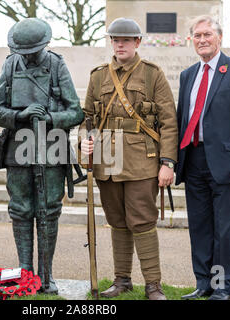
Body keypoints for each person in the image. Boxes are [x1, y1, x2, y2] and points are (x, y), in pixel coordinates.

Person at [79, 17, 178, 300]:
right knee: (117, 221)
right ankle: (122, 280)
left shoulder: (152, 74)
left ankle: (153, 285)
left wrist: (167, 162)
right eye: (115, 40)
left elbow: (169, 122)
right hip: (106, 162)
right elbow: (87, 118)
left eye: (125, 40)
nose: (119, 44)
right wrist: (83, 143)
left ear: (137, 43)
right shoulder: (98, 75)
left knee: (143, 221)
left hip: (141, 161)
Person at [0, 18, 84, 294]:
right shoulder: (10, 65)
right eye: (23, 51)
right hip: (18, 149)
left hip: (51, 147)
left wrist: (50, 117)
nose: (27, 56)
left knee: (48, 210)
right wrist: (20, 115)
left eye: (31, 51)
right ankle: (25, 273)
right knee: (20, 210)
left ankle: (47, 274)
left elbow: (76, 111)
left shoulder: (56, 65)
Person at [176, 15, 230, 300]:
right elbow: (182, 119)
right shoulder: (188, 75)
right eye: (197, 36)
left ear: (219, 38)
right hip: (194, 161)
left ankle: (223, 287)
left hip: (226, 165)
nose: (202, 40)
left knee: (225, 230)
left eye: (207, 35)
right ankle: (204, 283)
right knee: (199, 227)